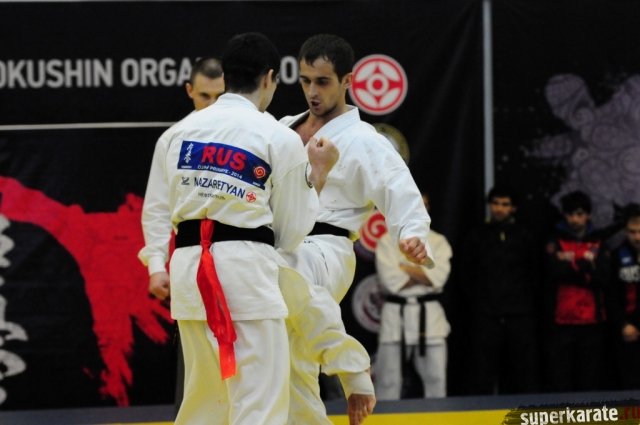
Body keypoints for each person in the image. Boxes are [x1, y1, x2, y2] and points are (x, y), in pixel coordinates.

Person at [142, 32, 338, 424]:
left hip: (189, 273)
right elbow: (291, 232)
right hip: (246, 274)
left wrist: (157, 263)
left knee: (204, 402)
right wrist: (316, 175)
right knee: (260, 403)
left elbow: (160, 208)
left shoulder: (177, 134)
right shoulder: (277, 136)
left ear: (227, 76)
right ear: (269, 78)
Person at [279, 34, 433, 425]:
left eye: (323, 81)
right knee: (287, 364)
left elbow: (401, 192)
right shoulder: (283, 129)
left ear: (347, 80)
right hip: (281, 239)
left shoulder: (366, 141)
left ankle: (350, 363)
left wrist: (411, 235)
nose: (312, 92)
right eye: (305, 81)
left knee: (281, 266)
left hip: (324, 249)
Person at [139, 56, 224, 413]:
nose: (212, 105)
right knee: (198, 376)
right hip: (193, 259)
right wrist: (156, 265)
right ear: (189, 91)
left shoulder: (255, 131)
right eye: (205, 96)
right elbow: (158, 206)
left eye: (219, 96)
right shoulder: (173, 139)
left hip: (249, 256)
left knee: (253, 371)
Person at [460, 185, 540, 394]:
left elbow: (535, 274)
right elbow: (467, 274)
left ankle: (523, 410)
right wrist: (480, 304)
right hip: (486, 315)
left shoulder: (525, 235)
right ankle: (480, 411)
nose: (499, 209)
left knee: (522, 371)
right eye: (495, 203)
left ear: (514, 208)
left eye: (505, 204)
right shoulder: (477, 235)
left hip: (519, 315)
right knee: (482, 371)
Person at [374, 193, 452, 399]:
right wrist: (423, 272)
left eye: (423, 204)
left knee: (436, 379)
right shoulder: (386, 241)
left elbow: (438, 279)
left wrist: (404, 267)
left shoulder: (439, 242)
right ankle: (385, 417)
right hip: (395, 316)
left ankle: (437, 416)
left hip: (430, 317)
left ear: (428, 209)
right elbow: (391, 282)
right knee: (388, 380)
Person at [543, 190, 609, 392]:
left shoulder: (599, 241)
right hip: (561, 321)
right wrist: (585, 265)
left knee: (589, 380)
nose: (574, 219)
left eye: (579, 214)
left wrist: (571, 266)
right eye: (570, 214)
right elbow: (554, 272)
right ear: (564, 215)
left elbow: (603, 278)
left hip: (592, 321)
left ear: (588, 215)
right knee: (560, 380)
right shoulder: (554, 240)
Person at [607, 204, 640, 389]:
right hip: (628, 330)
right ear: (625, 232)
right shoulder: (617, 256)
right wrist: (622, 324)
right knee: (629, 384)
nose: (637, 237)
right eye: (632, 232)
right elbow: (610, 296)